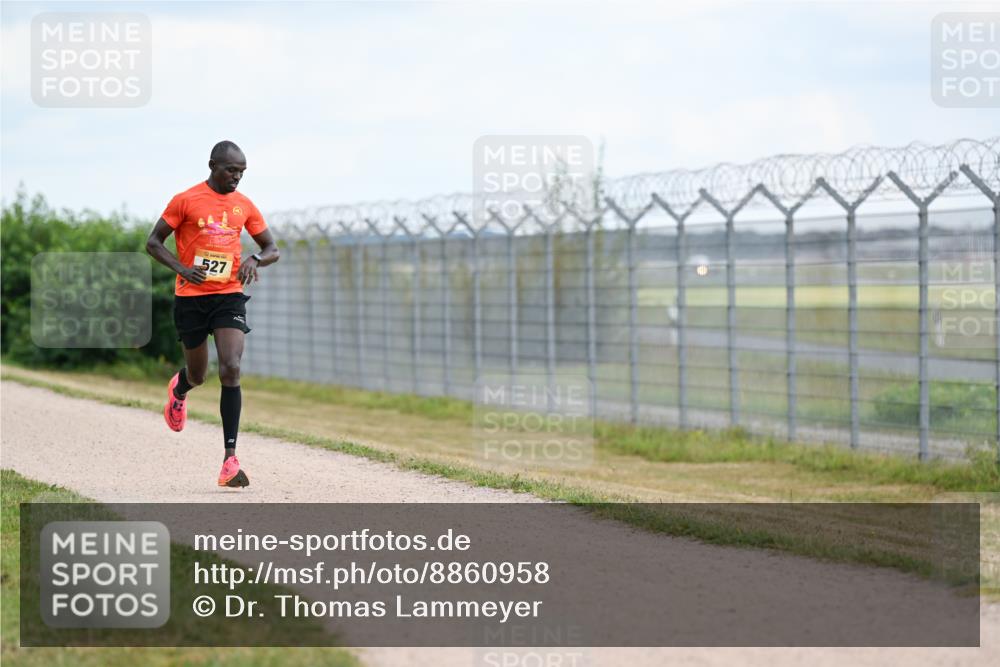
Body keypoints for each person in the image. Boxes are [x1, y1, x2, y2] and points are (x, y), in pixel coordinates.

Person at [146, 140, 279, 488]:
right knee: (199, 374)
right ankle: (180, 389)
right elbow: (154, 242)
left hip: (228, 296)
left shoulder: (243, 205)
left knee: (231, 368)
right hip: (191, 297)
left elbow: (271, 248)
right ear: (212, 166)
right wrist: (183, 269)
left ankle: (229, 461)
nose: (237, 177)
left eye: (242, 172)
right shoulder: (185, 200)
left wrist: (255, 259)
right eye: (231, 170)